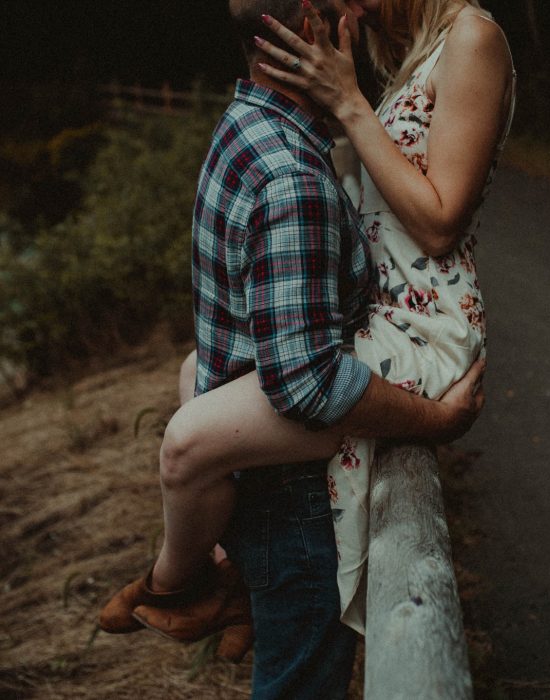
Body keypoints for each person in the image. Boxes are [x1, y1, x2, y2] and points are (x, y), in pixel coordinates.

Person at [99, 0, 487, 696]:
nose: (360, 15)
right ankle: (178, 587)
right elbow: (307, 386)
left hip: (276, 458)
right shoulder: (294, 178)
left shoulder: (244, 129)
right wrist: (441, 422)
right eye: (344, 11)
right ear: (310, 26)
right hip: (294, 502)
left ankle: (195, 583)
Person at [254, 0, 516, 632]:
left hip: (429, 325)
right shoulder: (414, 51)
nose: (352, 5)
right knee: (222, 371)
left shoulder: (474, 38)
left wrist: (350, 104)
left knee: (244, 407)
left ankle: (222, 588)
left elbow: (437, 223)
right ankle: (252, 587)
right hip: (384, 317)